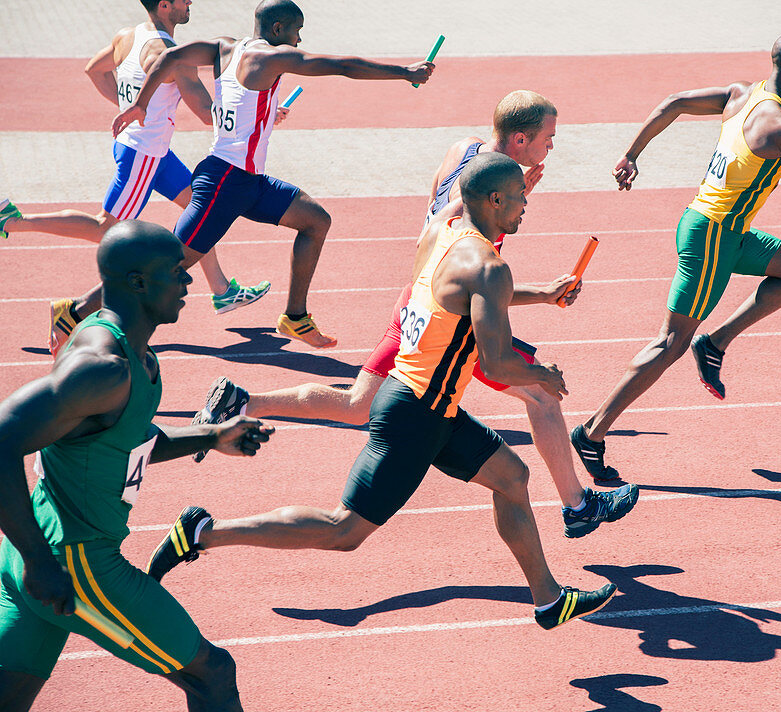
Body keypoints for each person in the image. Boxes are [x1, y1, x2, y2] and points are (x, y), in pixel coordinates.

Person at [145, 153, 618, 630]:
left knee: (512, 477)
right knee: (343, 531)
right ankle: (202, 533)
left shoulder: (444, 232)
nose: (524, 205)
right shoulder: (489, 266)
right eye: (519, 197)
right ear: (495, 200)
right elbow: (496, 361)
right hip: (416, 416)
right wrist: (542, 376)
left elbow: (470, 293)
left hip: (426, 403)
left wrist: (541, 293)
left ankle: (548, 599)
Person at [190, 91, 638, 538]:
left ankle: (240, 402)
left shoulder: (463, 150)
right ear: (520, 141)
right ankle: (577, 505)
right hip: (446, 321)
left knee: (357, 404)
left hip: (418, 298)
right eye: (548, 137)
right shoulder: (483, 204)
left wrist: (539, 290)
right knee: (541, 393)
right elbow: (459, 250)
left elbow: (435, 228)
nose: (551, 147)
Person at [570, 30, 781, 480]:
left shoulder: (740, 95)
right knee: (669, 343)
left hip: (723, 230)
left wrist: (632, 154)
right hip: (713, 237)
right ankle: (592, 432)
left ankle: (714, 343)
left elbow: (673, 102)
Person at [0, 220, 274, 712]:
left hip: (38, 552)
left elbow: (121, 439)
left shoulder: (134, 353)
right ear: (139, 283)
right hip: (74, 563)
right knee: (211, 673)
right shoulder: (102, 366)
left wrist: (211, 436)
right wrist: (42, 562)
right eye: (178, 271)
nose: (190, 281)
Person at [111, 0, 435, 349]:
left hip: (249, 182)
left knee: (315, 221)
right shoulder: (271, 58)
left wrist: (142, 101)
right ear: (278, 29)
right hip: (222, 183)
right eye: (296, 33)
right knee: (167, 268)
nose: (298, 42)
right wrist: (405, 72)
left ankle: (295, 317)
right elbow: (341, 66)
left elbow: (169, 58)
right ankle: (84, 312)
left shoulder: (224, 48)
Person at [0, 0, 271, 356]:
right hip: (144, 154)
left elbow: (93, 70)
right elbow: (209, 115)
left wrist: (128, 109)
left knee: (199, 208)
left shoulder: (127, 36)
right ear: (164, 5)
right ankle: (14, 222)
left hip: (147, 150)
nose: (191, 2)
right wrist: (263, 107)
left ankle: (221, 290)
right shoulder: (173, 55)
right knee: (105, 229)